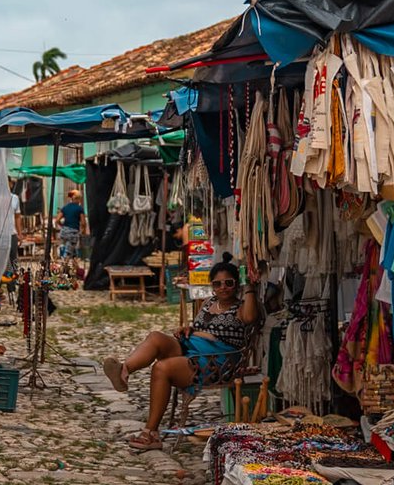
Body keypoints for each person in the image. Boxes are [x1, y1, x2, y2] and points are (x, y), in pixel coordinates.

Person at [103, 255, 261, 451]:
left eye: (229, 283)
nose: (223, 287)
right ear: (212, 286)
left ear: (236, 284)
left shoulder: (240, 307)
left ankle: (150, 433)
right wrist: (188, 329)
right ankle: (124, 371)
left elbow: (251, 317)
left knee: (161, 368)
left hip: (215, 361)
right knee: (155, 337)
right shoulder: (208, 303)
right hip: (192, 348)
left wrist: (250, 286)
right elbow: (198, 327)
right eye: (217, 284)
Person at [57, 189, 86, 260]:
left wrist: (62, 226)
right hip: (72, 233)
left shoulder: (65, 207)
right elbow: (83, 223)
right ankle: (64, 266)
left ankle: (72, 265)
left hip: (63, 233)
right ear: (78, 199)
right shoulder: (79, 208)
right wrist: (82, 231)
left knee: (69, 250)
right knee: (68, 254)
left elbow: (57, 220)